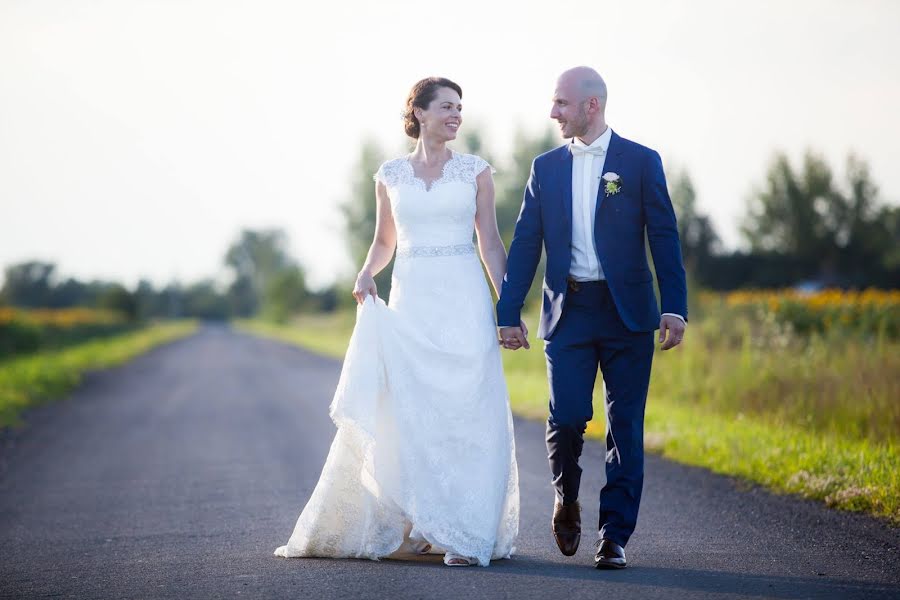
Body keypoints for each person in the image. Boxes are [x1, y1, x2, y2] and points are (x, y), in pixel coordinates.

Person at [274, 77, 519, 567]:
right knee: (411, 411)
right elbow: (385, 241)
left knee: (466, 410)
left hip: (463, 301)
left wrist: (506, 307)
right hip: (412, 304)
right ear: (420, 113)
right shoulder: (390, 174)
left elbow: (490, 241)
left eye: (460, 108)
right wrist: (367, 272)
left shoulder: (477, 172)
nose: (456, 115)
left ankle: (467, 532)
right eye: (447, 107)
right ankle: (422, 521)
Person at [496, 66, 688, 569]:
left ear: (591, 106)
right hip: (569, 311)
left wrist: (675, 306)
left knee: (625, 426)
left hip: (629, 315)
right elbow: (525, 244)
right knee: (567, 418)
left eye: (560, 102)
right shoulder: (545, 168)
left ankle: (614, 535)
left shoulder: (642, 162)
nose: (552, 111)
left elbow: (664, 237)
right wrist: (507, 309)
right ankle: (566, 498)